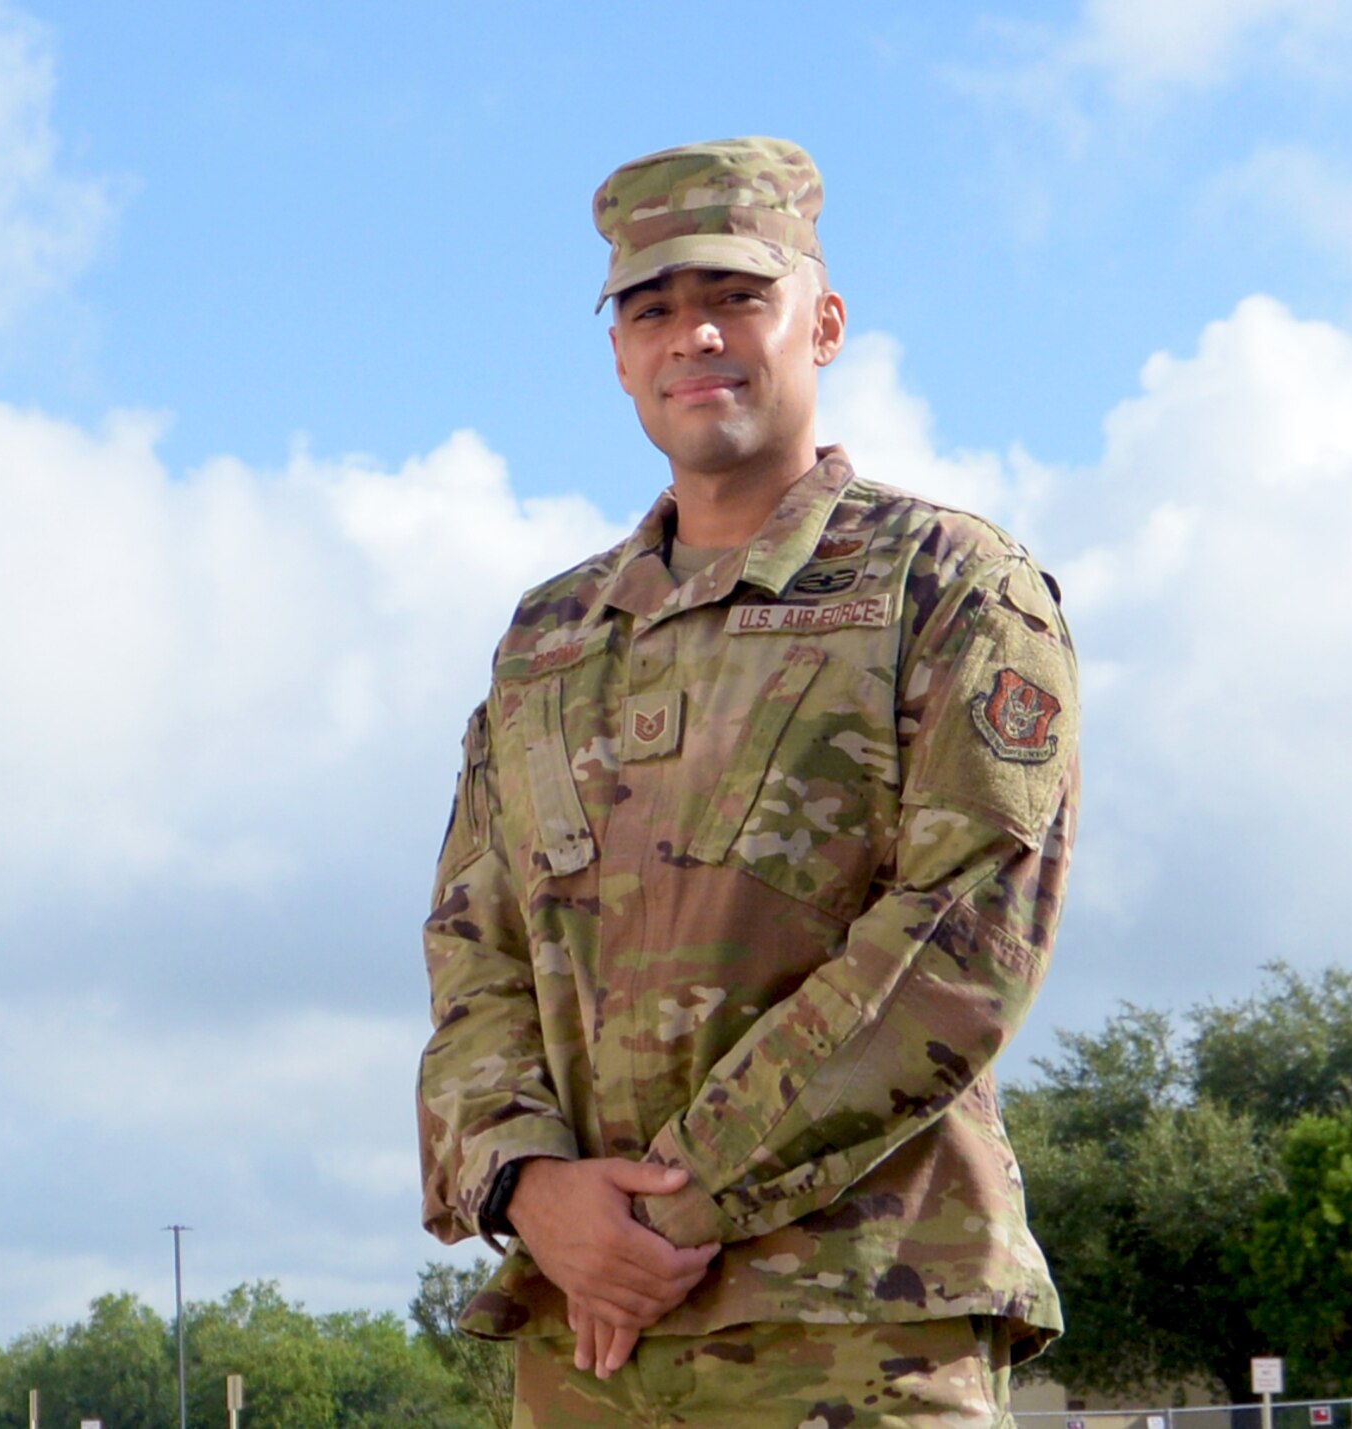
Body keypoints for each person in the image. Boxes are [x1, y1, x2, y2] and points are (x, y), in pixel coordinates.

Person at [416, 137, 1080, 1428]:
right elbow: (473, 949)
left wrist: (670, 1206)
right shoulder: (547, 638)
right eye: (652, 308)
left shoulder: (946, 583)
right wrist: (526, 1185)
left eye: (736, 297)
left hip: (855, 1324)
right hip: (589, 1348)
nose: (694, 335)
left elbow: (963, 939)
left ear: (822, 323)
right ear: (618, 354)